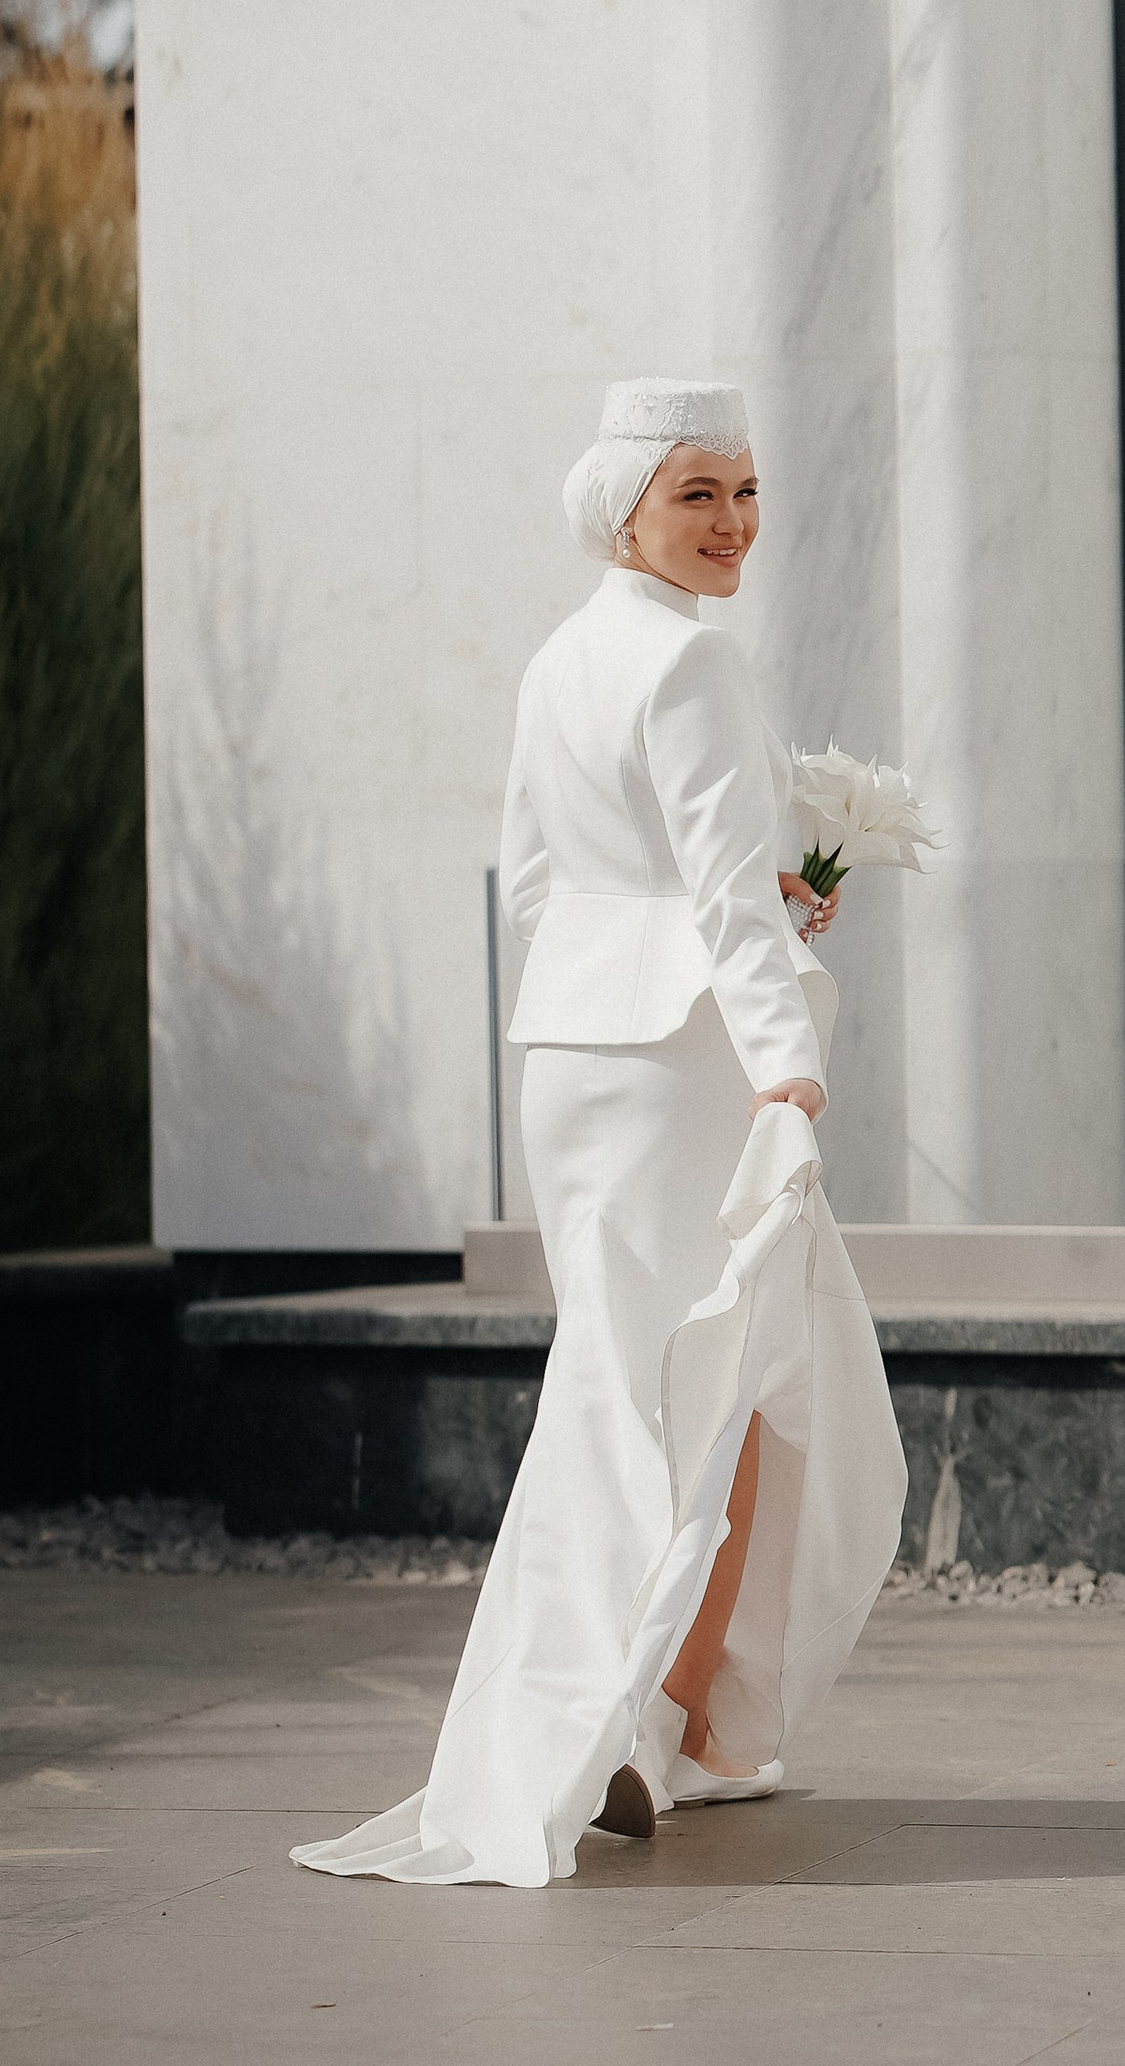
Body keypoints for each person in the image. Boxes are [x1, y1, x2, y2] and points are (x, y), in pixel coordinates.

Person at [291, 378, 910, 1886]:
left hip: (575, 1058)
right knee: (716, 1379)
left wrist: (764, 915)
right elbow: (706, 900)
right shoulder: (693, 674)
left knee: (655, 1380)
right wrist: (787, 1068)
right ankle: (627, 1728)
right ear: (623, 504)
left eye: (748, 490)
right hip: (688, 1063)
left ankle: (665, 1722)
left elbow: (538, 889)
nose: (735, 522)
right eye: (699, 493)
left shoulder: (561, 661)